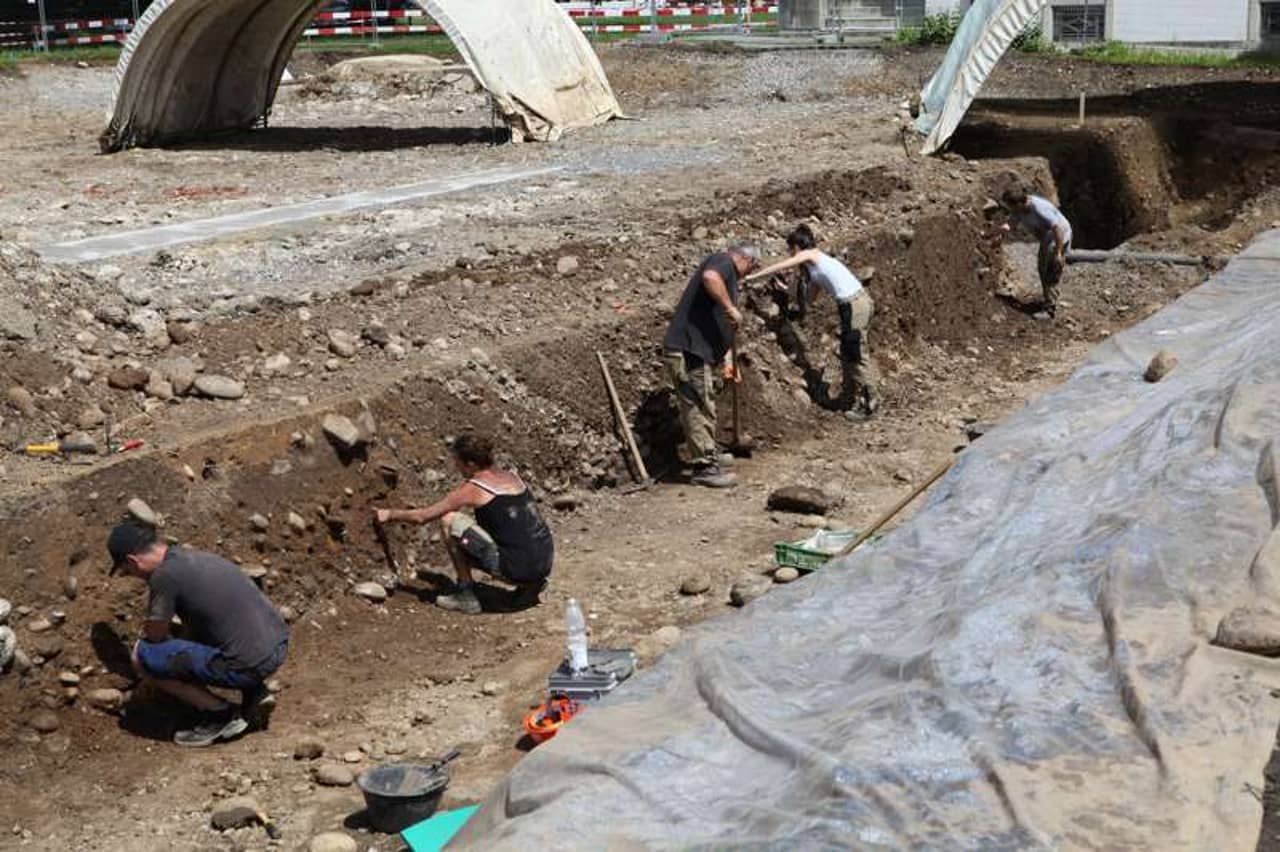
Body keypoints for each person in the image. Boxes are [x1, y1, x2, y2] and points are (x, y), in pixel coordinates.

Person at [107, 521, 289, 748]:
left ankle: (220, 715)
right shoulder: (194, 557)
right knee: (205, 632)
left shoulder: (164, 576)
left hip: (249, 663)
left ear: (133, 560)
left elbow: (154, 635)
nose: (132, 576)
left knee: (143, 655)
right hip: (277, 643)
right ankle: (254, 691)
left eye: (127, 571)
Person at [373, 434, 553, 615]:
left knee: (449, 520)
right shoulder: (512, 477)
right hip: (544, 563)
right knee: (508, 529)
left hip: (516, 569)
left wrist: (389, 514)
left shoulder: (474, 488)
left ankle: (466, 596)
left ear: (471, 464)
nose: (456, 467)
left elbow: (423, 517)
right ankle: (530, 586)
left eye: (458, 462)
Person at [745, 224, 879, 418]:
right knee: (848, 352)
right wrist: (786, 292)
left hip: (855, 304)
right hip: (850, 305)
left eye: (791, 249)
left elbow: (783, 265)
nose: (791, 254)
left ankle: (869, 403)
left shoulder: (812, 254)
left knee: (856, 352)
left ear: (798, 246)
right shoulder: (816, 269)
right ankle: (849, 398)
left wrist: (753, 277)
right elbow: (809, 300)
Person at [662, 242, 760, 488]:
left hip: (697, 350)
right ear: (746, 260)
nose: (749, 273)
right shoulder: (723, 262)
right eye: (753, 267)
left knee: (704, 402)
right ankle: (704, 467)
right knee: (698, 404)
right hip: (689, 349)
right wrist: (730, 307)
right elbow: (710, 277)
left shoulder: (726, 269)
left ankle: (708, 454)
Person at [1001, 187, 1073, 317]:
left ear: (1018, 204)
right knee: (1042, 267)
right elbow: (1010, 224)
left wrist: (1058, 253)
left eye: (1010, 206)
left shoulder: (1039, 209)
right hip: (1048, 237)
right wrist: (992, 234)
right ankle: (1051, 296)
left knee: (1050, 269)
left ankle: (1050, 309)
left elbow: (1058, 229)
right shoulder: (1020, 209)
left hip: (1058, 236)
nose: (1010, 210)